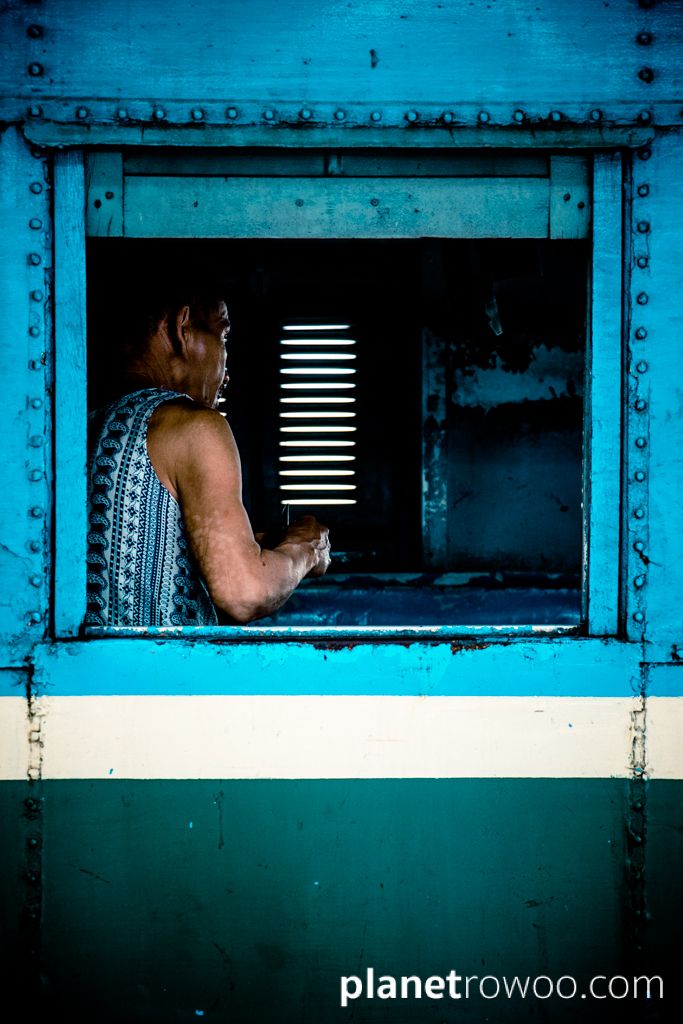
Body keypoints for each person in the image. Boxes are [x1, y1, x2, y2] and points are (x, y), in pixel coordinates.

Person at [86, 280, 331, 627]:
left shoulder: (87, 425)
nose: (227, 374)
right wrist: (306, 549)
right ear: (180, 327)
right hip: (161, 679)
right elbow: (245, 593)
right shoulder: (194, 426)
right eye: (224, 337)